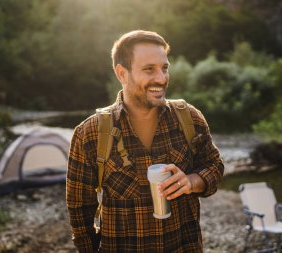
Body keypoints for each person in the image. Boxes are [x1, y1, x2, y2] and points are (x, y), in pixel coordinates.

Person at [66, 30, 224, 252]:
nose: (161, 78)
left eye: (164, 68)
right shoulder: (90, 133)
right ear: (122, 74)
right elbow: (79, 211)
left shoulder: (189, 118)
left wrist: (191, 181)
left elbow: (215, 166)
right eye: (149, 69)